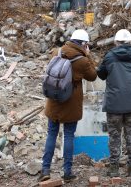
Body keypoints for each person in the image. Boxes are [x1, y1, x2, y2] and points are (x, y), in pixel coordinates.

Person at [39, 29, 97, 182]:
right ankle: (67, 172)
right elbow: (93, 76)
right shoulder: (82, 61)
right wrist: (88, 55)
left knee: (51, 134)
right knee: (69, 135)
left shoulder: (57, 52)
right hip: (71, 102)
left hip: (54, 100)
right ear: (84, 44)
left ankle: (45, 169)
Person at [97, 29, 131, 177]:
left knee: (114, 137)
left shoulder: (110, 57)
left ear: (116, 42)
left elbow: (101, 74)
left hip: (114, 105)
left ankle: (114, 169)